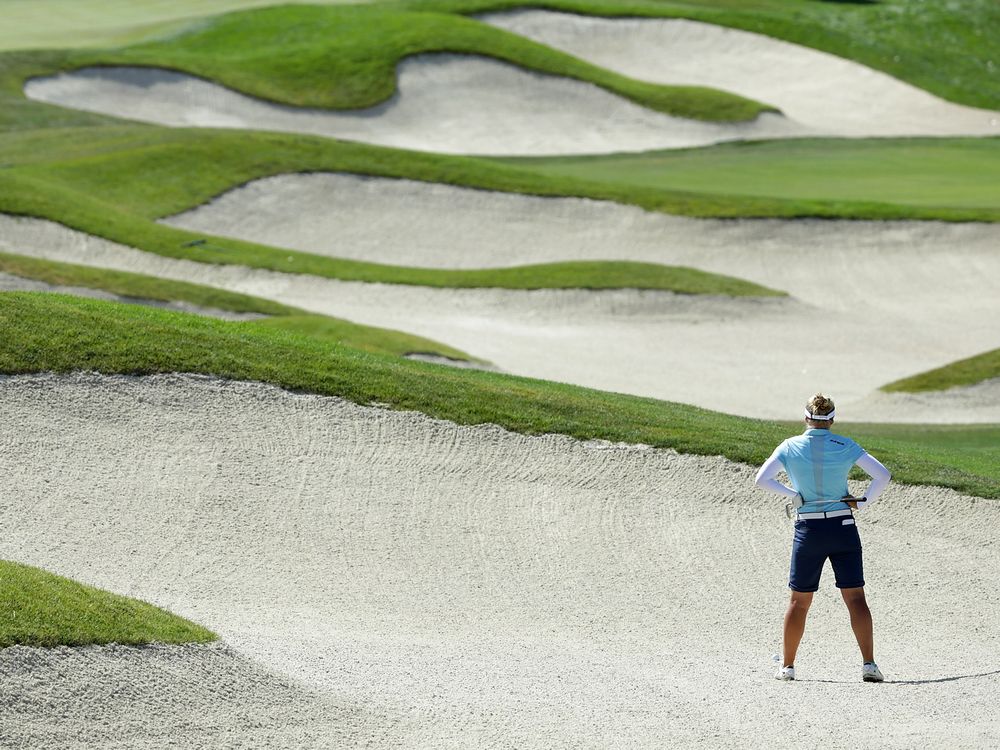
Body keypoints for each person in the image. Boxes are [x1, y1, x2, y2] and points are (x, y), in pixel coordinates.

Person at [755, 393, 891, 683]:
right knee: (855, 598)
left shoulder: (790, 446)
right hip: (843, 527)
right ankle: (869, 664)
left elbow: (762, 480)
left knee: (798, 602)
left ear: (806, 418)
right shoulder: (845, 445)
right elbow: (882, 475)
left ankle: (787, 667)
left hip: (809, 530)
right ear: (831, 420)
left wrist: (794, 496)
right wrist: (862, 502)